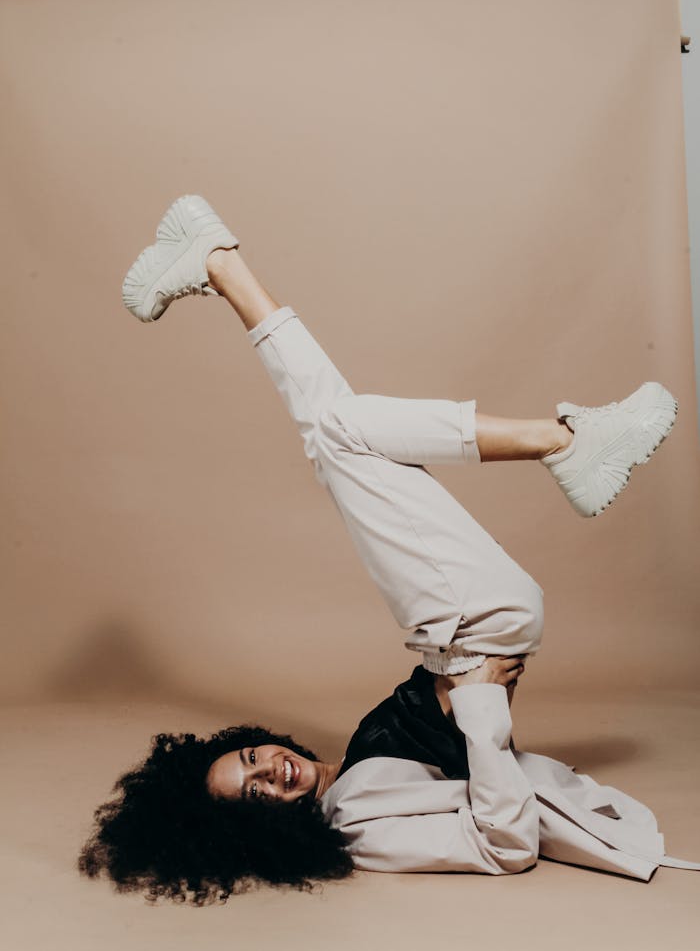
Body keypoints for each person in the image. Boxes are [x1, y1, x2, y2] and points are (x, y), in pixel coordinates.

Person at [79, 195, 699, 905]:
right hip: (474, 626)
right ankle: (561, 442)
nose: (269, 771)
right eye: (254, 791)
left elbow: (440, 741)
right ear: (258, 834)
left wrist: (470, 695)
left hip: (464, 625)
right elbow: (506, 846)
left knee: (337, 428)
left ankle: (220, 264)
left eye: (250, 756)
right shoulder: (355, 827)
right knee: (340, 433)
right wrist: (479, 699)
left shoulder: (353, 769)